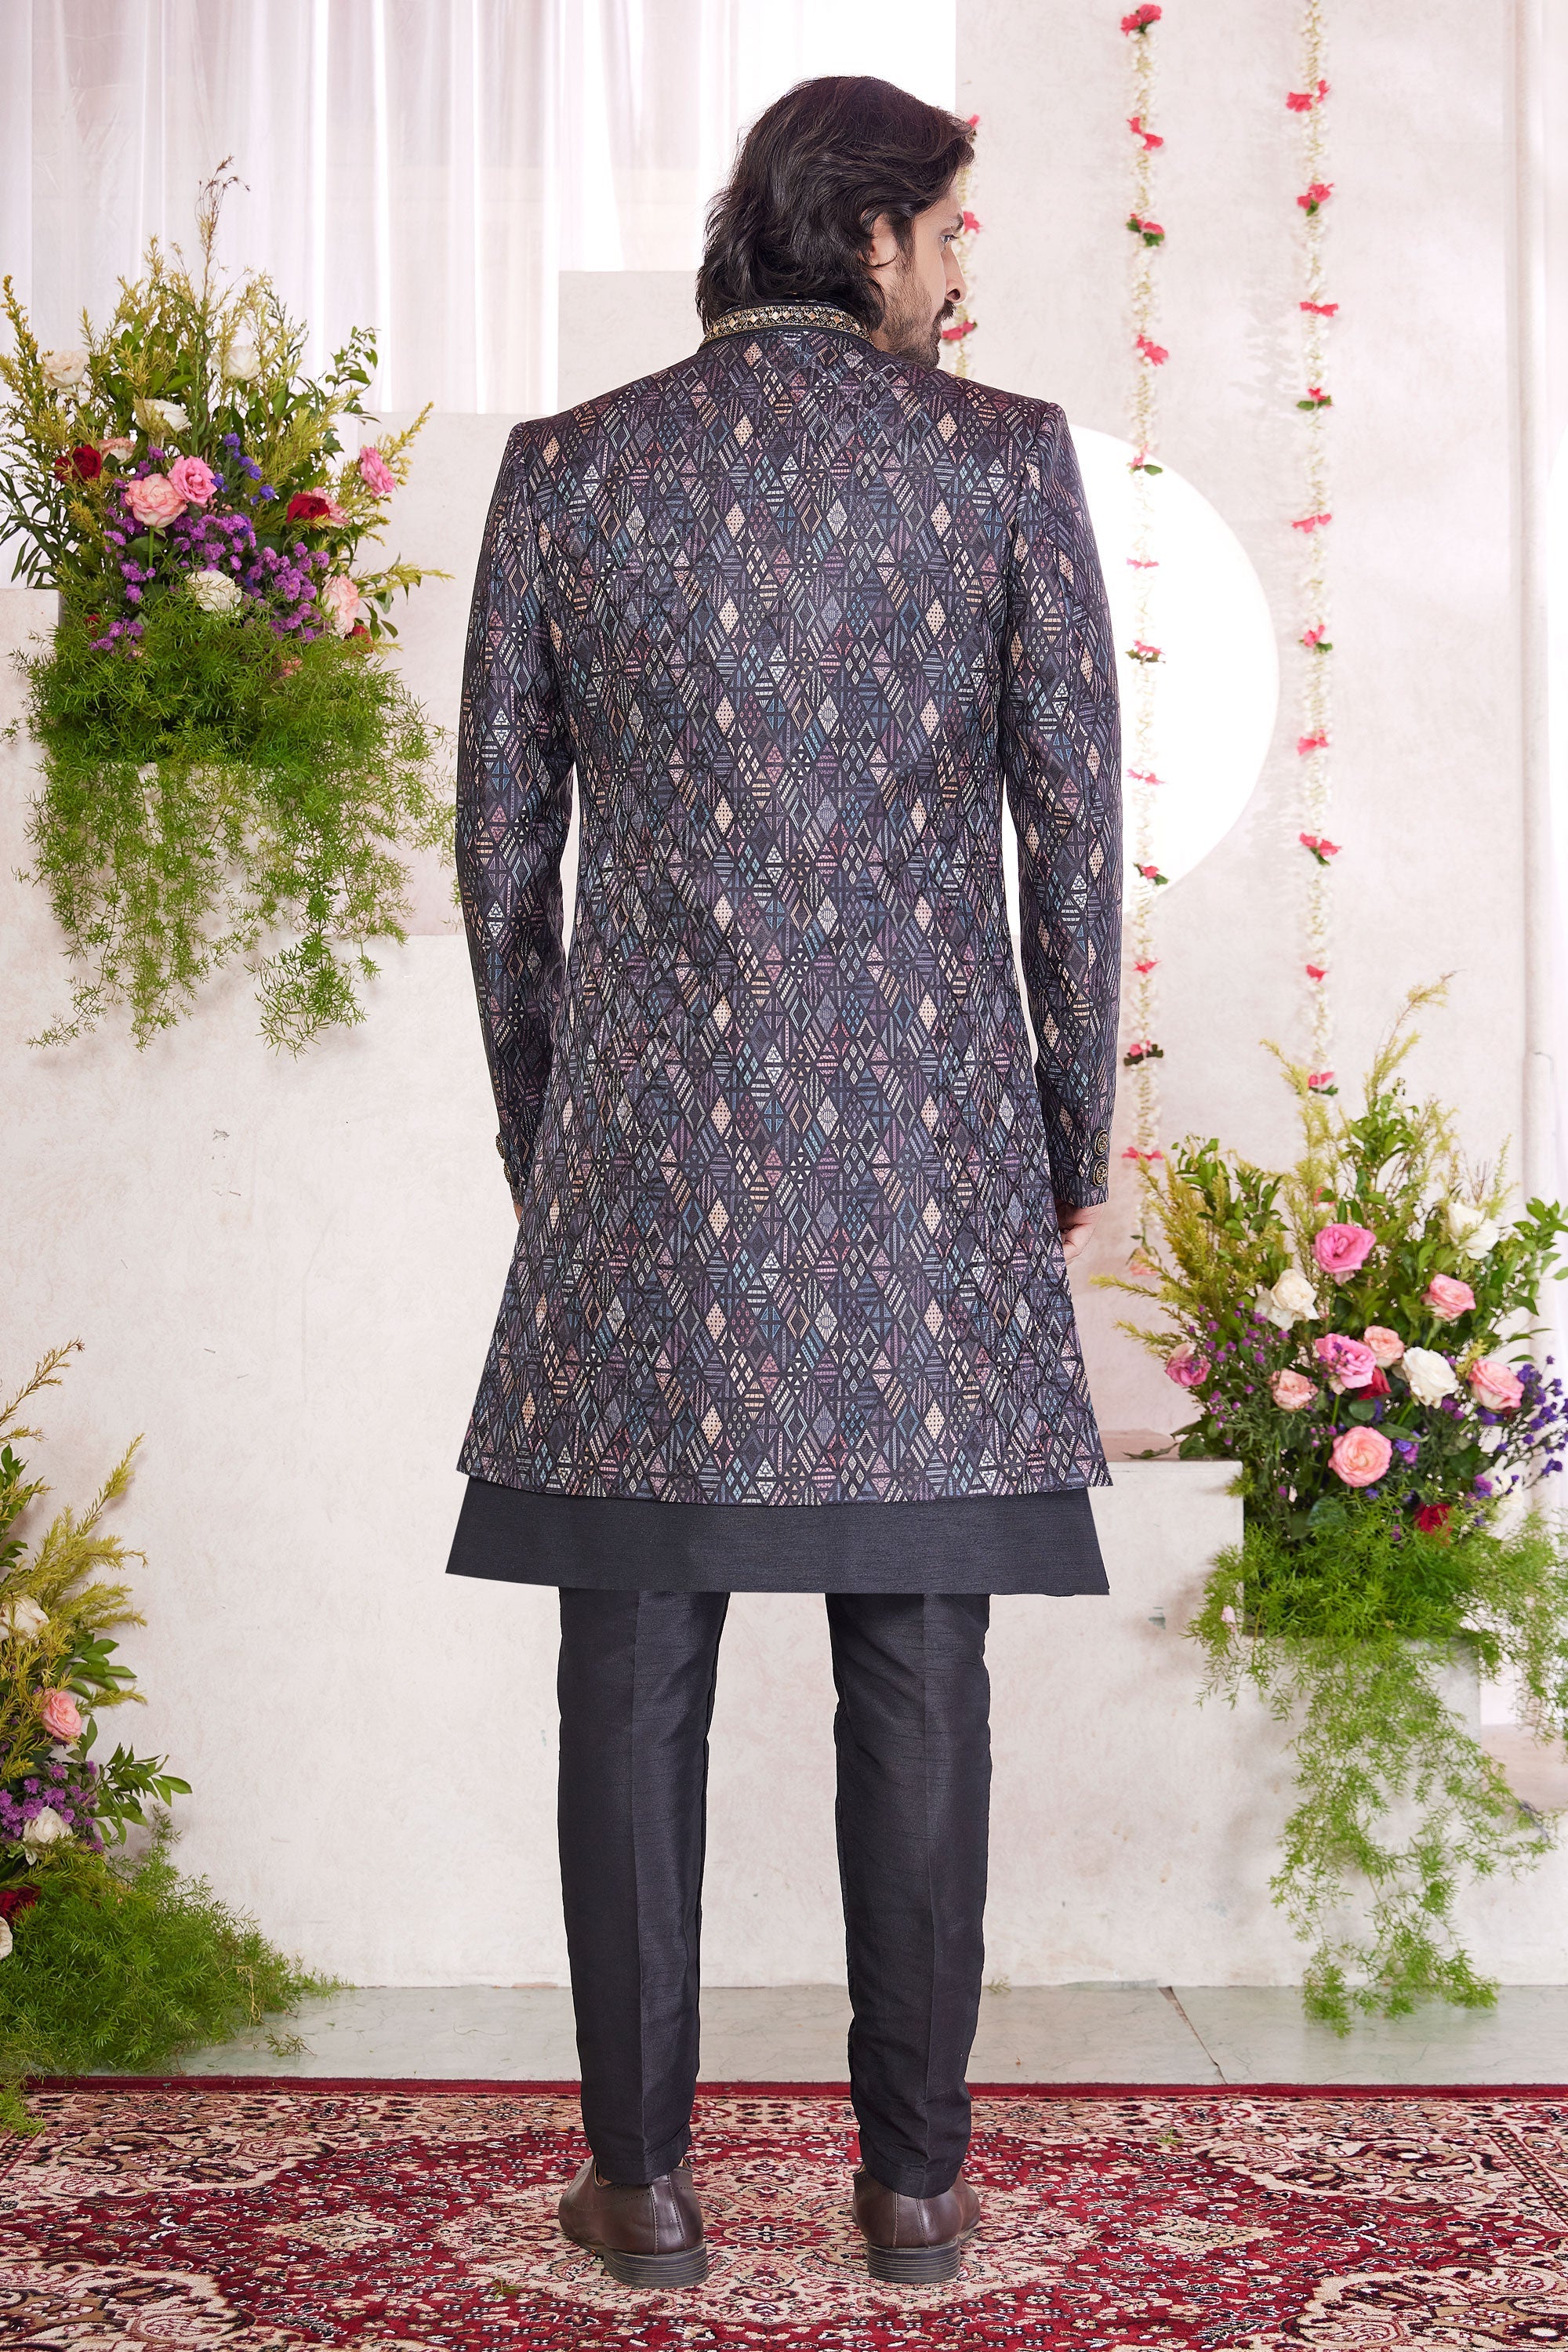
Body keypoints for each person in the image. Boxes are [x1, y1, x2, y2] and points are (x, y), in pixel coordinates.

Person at [446, 73, 1122, 2291]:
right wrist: (1063, 1135)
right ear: (869, 232)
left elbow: (498, 862)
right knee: (918, 1664)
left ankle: (640, 2189)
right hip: (927, 1169)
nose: (963, 269)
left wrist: (557, 1136)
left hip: (645, 1166)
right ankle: (913, 2190)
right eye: (952, 228)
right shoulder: (1001, 463)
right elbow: (1073, 841)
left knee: (631, 1666)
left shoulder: (569, 471)